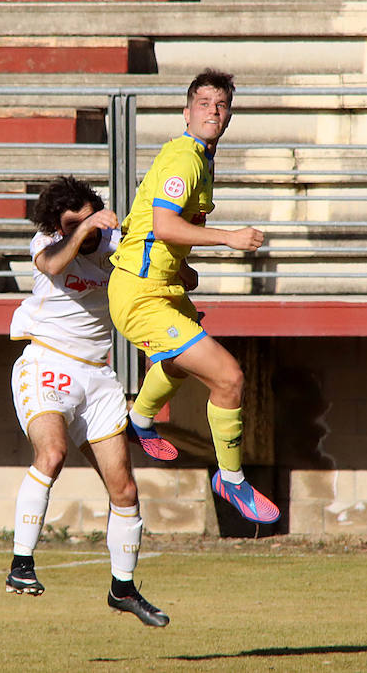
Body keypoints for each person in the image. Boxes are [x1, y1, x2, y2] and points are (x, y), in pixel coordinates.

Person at [107, 69, 279, 525]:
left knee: (182, 361)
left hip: (159, 286)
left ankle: (140, 419)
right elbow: (164, 225)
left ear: (229, 117)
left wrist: (180, 267)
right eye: (203, 103)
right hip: (140, 295)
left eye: (220, 105)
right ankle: (231, 480)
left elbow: (150, 225)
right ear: (186, 112)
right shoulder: (186, 159)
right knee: (228, 378)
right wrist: (229, 238)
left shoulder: (201, 158)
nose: (212, 111)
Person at [5, 176, 169, 627]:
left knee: (126, 490)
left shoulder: (121, 243)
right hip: (47, 363)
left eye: (90, 213)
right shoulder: (50, 242)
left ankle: (124, 587)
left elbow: (158, 271)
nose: (86, 226)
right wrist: (80, 229)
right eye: (73, 221)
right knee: (52, 453)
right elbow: (54, 265)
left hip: (98, 376)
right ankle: (21, 564)